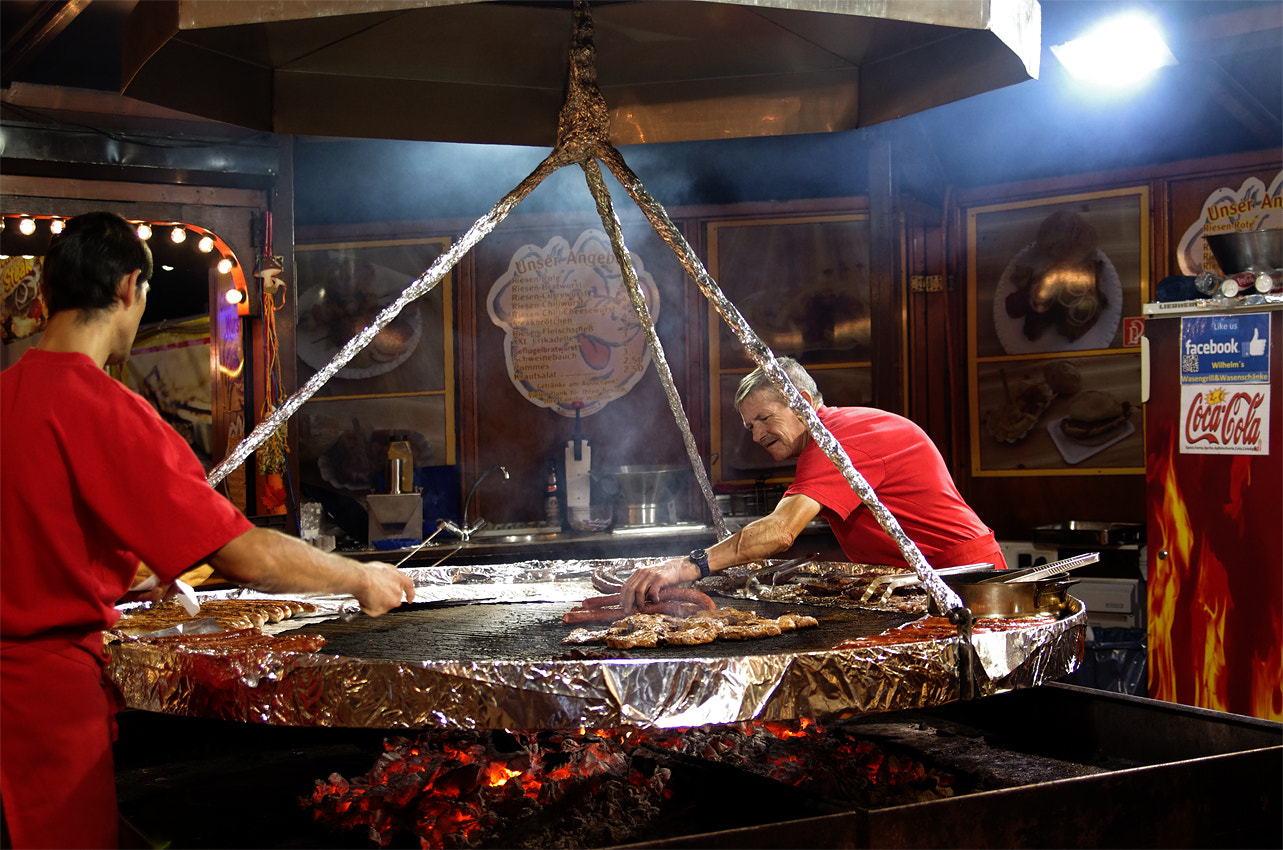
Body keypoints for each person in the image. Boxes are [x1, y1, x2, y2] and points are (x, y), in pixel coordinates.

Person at [0, 211, 416, 849]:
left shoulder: (8, 394)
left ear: (47, 296)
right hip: (43, 710)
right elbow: (241, 555)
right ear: (128, 289)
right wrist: (358, 577)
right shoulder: (105, 409)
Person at [622, 357, 1005, 612]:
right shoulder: (838, 431)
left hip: (962, 583)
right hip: (924, 581)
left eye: (764, 418)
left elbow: (780, 532)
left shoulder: (839, 438)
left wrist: (688, 566)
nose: (756, 436)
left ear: (801, 402)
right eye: (749, 426)